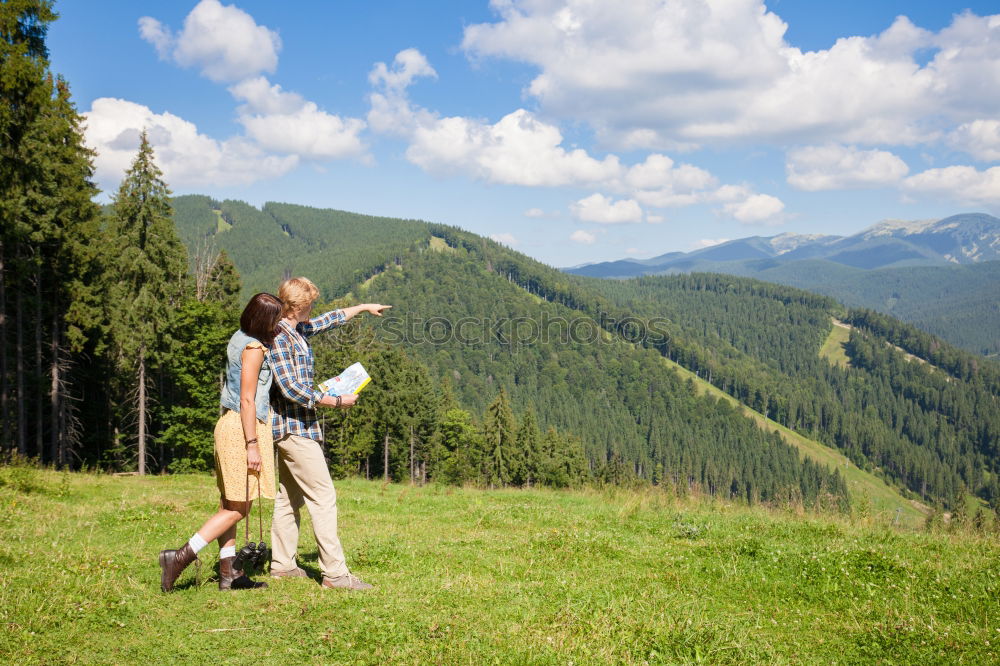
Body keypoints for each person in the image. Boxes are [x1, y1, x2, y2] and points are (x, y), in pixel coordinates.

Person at [268, 276, 390, 590]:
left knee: (287, 499)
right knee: (323, 497)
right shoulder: (279, 337)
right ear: (294, 307)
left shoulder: (297, 329)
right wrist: (335, 400)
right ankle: (335, 574)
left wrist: (363, 307)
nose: (313, 310)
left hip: (298, 426)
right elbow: (291, 389)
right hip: (294, 428)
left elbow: (328, 320)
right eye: (308, 305)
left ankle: (282, 565)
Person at [158, 293, 283, 592]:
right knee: (238, 508)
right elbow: (247, 398)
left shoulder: (239, 337)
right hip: (244, 429)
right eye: (275, 319)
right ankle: (179, 558)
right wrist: (252, 443)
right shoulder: (253, 347)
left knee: (232, 502)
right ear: (264, 320)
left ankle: (229, 574)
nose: (278, 323)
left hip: (230, 424)